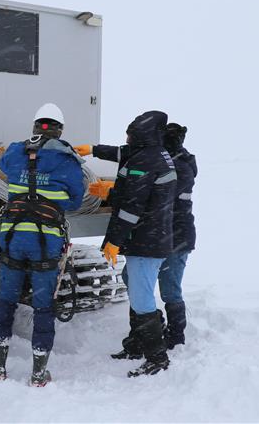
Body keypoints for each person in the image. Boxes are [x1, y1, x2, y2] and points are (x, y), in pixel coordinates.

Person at [74, 110, 177, 377]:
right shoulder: (150, 151)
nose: (126, 139)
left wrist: (114, 242)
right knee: (131, 281)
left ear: (141, 136)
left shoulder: (147, 161)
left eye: (130, 135)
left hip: (146, 242)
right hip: (152, 237)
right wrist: (94, 150)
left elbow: (131, 209)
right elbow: (123, 154)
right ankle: (135, 345)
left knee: (142, 299)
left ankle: (157, 357)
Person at [0, 103, 84, 386]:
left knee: (5, 300)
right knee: (44, 307)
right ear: (59, 129)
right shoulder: (68, 160)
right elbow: (76, 200)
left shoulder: (16, 152)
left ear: (34, 126)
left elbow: (3, 165)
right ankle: (39, 372)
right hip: (45, 243)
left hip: (13, 238)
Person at [157, 123, 197, 349]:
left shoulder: (181, 167)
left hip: (177, 236)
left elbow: (163, 195)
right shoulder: (173, 162)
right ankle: (154, 324)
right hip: (164, 235)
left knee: (170, 288)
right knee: (131, 279)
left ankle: (175, 336)